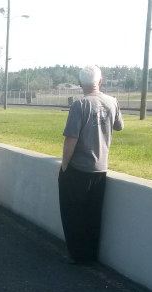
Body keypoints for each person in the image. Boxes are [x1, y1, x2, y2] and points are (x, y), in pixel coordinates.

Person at [58, 65, 123, 264]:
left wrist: (64, 167)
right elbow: (119, 126)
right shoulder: (112, 102)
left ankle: (77, 255)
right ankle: (91, 255)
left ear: (80, 84)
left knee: (73, 213)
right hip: (101, 168)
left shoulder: (80, 105)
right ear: (100, 81)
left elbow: (71, 139)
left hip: (79, 169)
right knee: (94, 216)